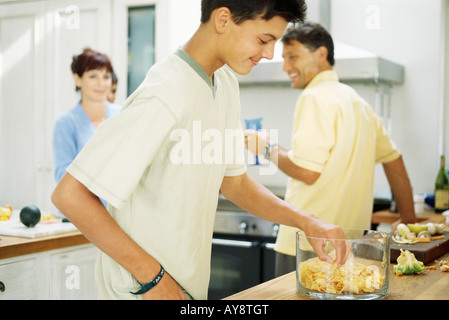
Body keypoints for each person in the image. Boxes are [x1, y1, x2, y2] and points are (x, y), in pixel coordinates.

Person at [51, 1, 349, 300]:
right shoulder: (166, 90)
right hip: (142, 291)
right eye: (263, 40)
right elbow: (70, 195)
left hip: (186, 289)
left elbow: (235, 183)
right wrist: (153, 278)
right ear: (223, 19)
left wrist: (306, 221)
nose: (270, 54)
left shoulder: (226, 82)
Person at [245, 22, 416, 276]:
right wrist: (409, 220)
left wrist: (266, 147)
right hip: (348, 245)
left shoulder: (313, 97)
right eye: (284, 59)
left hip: (308, 245)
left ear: (321, 54)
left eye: (292, 57)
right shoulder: (359, 103)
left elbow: (306, 171)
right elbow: (394, 160)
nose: (286, 67)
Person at [52, 49, 120, 207]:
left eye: (106, 77)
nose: (101, 83)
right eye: (93, 76)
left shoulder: (122, 115)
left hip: (119, 211)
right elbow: (63, 176)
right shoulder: (66, 123)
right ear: (77, 79)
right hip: (81, 211)